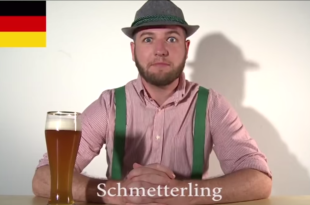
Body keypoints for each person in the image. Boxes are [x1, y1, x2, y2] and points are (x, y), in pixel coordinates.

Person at [32, 0, 272, 204]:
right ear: (133, 50)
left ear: (186, 48)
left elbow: (259, 180)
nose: (160, 50)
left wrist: (185, 192)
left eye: (171, 39)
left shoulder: (212, 105)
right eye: (148, 39)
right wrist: (113, 192)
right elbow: (43, 178)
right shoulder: (109, 105)